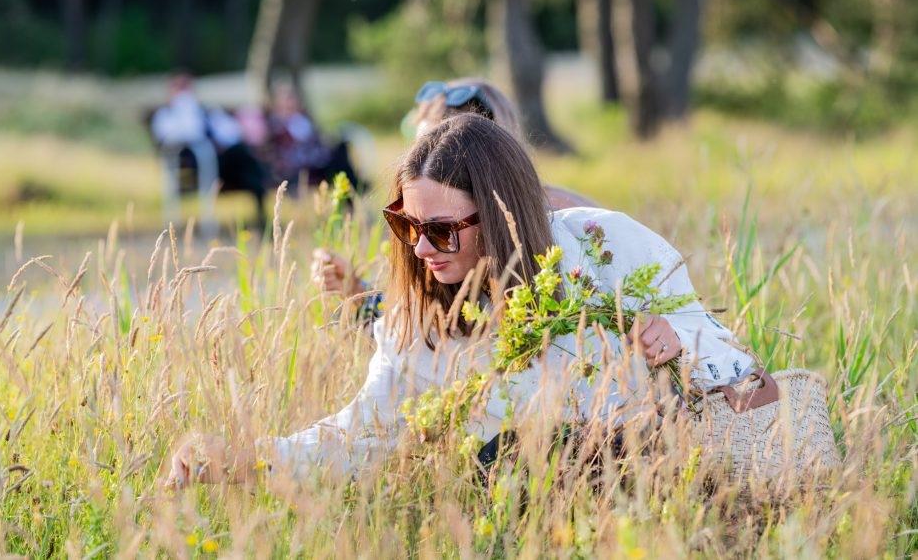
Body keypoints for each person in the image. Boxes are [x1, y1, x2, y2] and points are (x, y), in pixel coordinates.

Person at [166, 113, 754, 487]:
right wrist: (244, 458)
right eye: (404, 225)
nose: (421, 248)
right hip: (532, 510)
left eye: (443, 230)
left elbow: (741, 368)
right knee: (503, 457)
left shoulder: (604, 246)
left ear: (502, 218)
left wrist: (682, 342)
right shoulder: (411, 322)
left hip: (665, 483)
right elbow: (360, 434)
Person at [311, 78, 596, 307]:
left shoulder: (563, 218)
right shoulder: (431, 226)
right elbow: (415, 329)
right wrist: (356, 291)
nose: (428, 161)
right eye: (421, 146)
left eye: (446, 150)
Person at [150, 72, 268, 230]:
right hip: (192, 166)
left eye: (187, 87)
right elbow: (179, 136)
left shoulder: (207, 111)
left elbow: (231, 133)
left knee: (242, 154)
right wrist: (187, 111)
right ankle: (263, 181)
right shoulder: (166, 115)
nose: (184, 93)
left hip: (218, 163)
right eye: (180, 88)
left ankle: (261, 205)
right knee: (247, 163)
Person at [267, 84, 364, 191]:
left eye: (292, 99)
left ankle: (352, 185)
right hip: (302, 164)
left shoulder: (302, 118)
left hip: (316, 158)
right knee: (338, 160)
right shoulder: (279, 124)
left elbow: (316, 140)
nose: (291, 102)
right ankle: (354, 187)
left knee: (341, 149)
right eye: (287, 100)